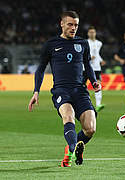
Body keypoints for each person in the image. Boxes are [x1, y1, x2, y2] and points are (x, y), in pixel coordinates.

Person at [28, 11, 101, 167]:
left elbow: (87, 65)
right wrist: (36, 91)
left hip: (80, 90)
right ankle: (75, 149)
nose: (73, 28)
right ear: (62, 24)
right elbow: (40, 69)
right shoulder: (51, 44)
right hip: (61, 90)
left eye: (76, 25)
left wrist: (94, 81)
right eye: (70, 24)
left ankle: (71, 148)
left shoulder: (82, 43)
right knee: (68, 116)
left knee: (90, 129)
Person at [87, 26, 106, 112]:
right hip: (86, 67)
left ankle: (98, 104)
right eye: (90, 32)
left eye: (93, 32)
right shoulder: (86, 42)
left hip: (97, 67)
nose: (92, 34)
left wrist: (101, 60)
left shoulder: (99, 43)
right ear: (88, 33)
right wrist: (89, 58)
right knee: (82, 85)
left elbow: (97, 54)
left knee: (98, 84)